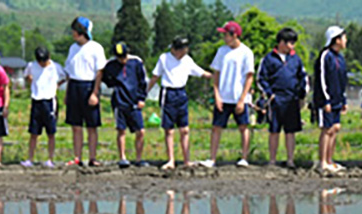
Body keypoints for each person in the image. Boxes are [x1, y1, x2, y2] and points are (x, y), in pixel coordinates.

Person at [147, 37, 212, 170]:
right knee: (169, 130)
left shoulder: (187, 60)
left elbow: (200, 72)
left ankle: (186, 160)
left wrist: (216, 76)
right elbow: (155, 76)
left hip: (181, 93)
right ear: (174, 50)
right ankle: (171, 160)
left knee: (184, 129)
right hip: (168, 93)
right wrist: (145, 92)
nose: (183, 53)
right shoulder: (164, 58)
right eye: (182, 51)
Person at [199, 21, 255, 169]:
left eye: (226, 34)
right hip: (223, 97)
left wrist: (242, 99)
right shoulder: (221, 51)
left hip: (239, 97)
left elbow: (249, 77)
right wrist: (217, 95)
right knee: (216, 127)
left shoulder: (246, 52)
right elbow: (216, 74)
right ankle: (212, 158)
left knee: (243, 126)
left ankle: (244, 158)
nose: (223, 37)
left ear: (234, 35)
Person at [257, 27, 308, 168]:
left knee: (290, 131)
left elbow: (302, 76)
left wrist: (301, 93)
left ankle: (290, 160)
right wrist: (269, 95)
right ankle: (272, 160)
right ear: (281, 42)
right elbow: (261, 78)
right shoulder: (268, 59)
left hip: (291, 99)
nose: (292, 46)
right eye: (290, 43)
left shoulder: (296, 59)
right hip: (276, 99)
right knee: (274, 130)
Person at [64, 16, 107, 167]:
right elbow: (69, 72)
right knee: (76, 125)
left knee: (91, 125)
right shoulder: (72, 48)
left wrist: (95, 93)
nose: (73, 34)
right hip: (75, 86)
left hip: (89, 85)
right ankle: (77, 157)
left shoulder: (96, 48)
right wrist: (67, 93)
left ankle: (93, 157)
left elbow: (99, 72)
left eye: (74, 31)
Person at [102, 42, 149, 168]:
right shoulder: (111, 65)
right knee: (121, 130)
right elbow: (105, 78)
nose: (122, 60)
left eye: (123, 57)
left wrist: (142, 98)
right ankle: (122, 158)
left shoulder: (136, 63)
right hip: (119, 101)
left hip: (134, 101)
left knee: (141, 131)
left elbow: (142, 81)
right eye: (119, 57)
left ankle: (139, 159)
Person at [21, 47, 66, 168]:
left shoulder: (55, 67)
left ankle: (50, 159)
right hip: (36, 100)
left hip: (50, 101)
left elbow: (65, 77)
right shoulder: (31, 66)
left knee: (51, 132)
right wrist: (31, 82)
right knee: (33, 133)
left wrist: (56, 85)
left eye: (44, 61)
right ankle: (30, 159)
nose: (42, 64)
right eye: (40, 61)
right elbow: (26, 76)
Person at [313, 26, 348, 172]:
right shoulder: (325, 56)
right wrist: (326, 100)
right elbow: (321, 79)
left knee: (335, 128)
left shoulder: (340, 57)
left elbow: (343, 80)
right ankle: (322, 163)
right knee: (326, 129)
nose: (346, 40)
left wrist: (343, 100)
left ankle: (330, 160)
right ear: (336, 39)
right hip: (325, 100)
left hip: (337, 99)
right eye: (344, 37)